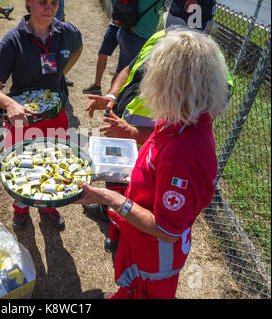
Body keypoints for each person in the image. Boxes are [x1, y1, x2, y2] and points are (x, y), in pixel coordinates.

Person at [76, 29, 230, 299]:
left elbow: (166, 231)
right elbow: (158, 150)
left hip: (156, 257)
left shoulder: (184, 154)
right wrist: (133, 133)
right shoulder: (183, 120)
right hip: (139, 240)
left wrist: (111, 198)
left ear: (173, 86)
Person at [0, 0, 83, 230]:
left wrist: (63, 72)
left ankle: (48, 204)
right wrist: (9, 104)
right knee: (23, 167)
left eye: (54, 2)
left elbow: (78, 47)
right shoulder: (13, 40)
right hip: (24, 122)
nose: (49, 7)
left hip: (56, 118)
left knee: (54, 164)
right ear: (28, 2)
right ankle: (21, 208)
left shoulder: (66, 31)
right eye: (42, 2)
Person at [115, 0, 164, 75]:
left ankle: (113, 87)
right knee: (129, 75)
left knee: (120, 72)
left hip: (124, 32)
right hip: (137, 39)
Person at [81, 17, 121, 96]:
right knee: (102, 53)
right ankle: (97, 86)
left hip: (130, 28)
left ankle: (113, 94)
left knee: (123, 63)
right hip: (115, 24)